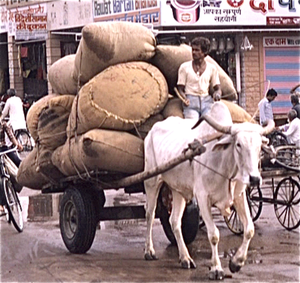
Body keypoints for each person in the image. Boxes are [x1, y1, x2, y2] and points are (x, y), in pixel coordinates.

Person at [177, 37, 222, 119]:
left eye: (197, 50)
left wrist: (217, 94)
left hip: (207, 102)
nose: (194, 52)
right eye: (193, 50)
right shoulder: (184, 67)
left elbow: (217, 88)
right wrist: (184, 98)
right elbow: (180, 89)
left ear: (204, 52)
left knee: (208, 126)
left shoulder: (212, 68)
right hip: (191, 102)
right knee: (193, 126)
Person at [0, 108, 23, 215]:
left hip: (4, 149)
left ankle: (24, 177)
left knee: (18, 161)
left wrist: (17, 145)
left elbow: (11, 135)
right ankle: (1, 204)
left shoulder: (4, 124)